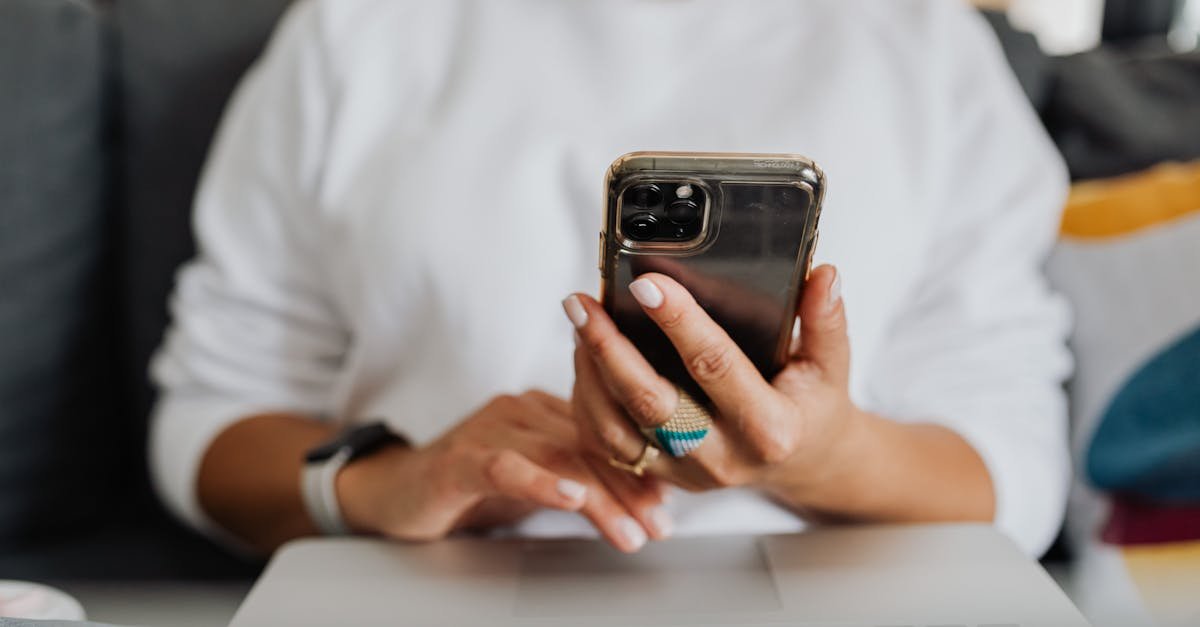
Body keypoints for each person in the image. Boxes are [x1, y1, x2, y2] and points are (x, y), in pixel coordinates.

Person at [151, 0, 1073, 557]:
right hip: (439, 573)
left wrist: (825, 458)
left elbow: (1018, 475)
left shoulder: (924, 49)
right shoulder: (357, 33)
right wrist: (389, 483)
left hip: (828, 577)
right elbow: (208, 423)